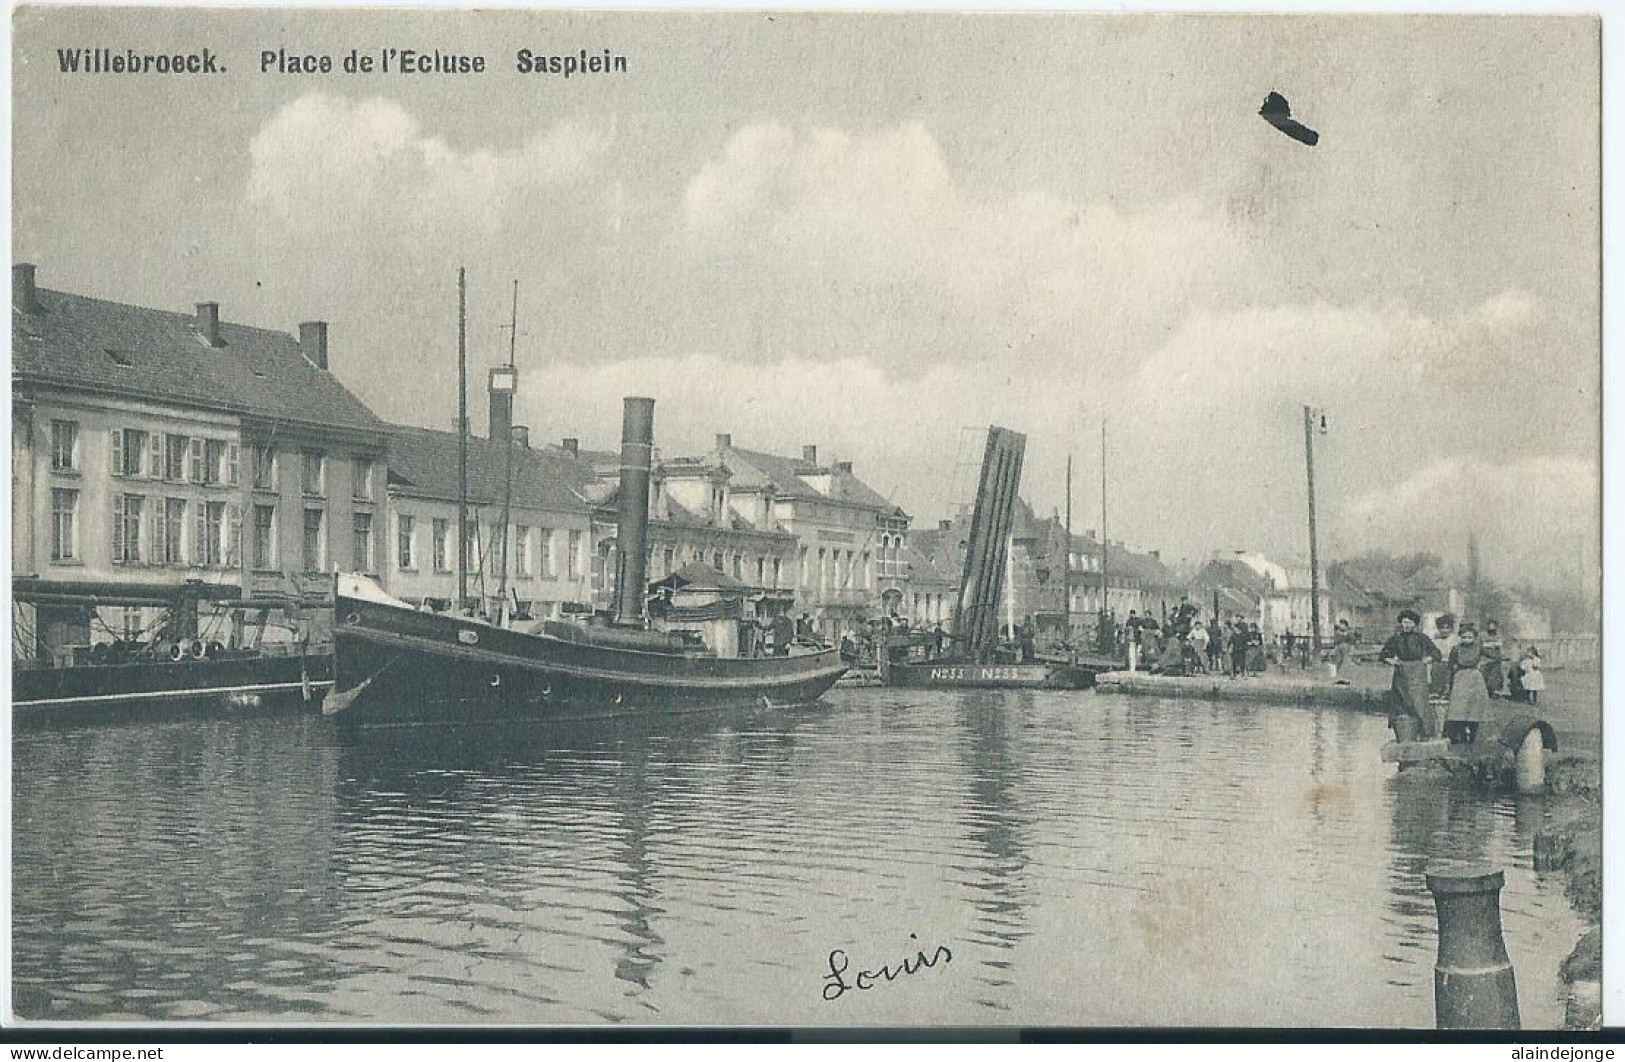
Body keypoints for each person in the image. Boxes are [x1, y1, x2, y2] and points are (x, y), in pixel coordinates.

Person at [1380, 609, 1443, 742]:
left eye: (1410, 622)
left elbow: (1436, 654)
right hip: (1401, 673)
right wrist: (1393, 661)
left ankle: (1424, 733)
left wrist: (1426, 660)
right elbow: (1384, 655)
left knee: (1419, 702)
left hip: (1418, 673)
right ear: (1401, 623)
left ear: (1415, 624)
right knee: (1401, 703)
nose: (1407, 625)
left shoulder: (1421, 638)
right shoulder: (1396, 638)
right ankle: (1405, 734)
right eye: (1404, 622)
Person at [1442, 623, 1492, 745]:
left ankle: (1473, 737)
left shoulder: (1479, 648)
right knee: (1459, 709)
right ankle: (1462, 736)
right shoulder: (1456, 649)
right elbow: (1450, 667)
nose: (1467, 640)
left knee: (1475, 709)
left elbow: (1494, 657)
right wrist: (1449, 683)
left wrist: (1483, 666)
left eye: (1470, 637)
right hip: (1460, 678)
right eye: (1464, 637)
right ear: (1460, 637)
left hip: (1475, 678)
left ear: (1475, 637)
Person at [1478, 621, 1506, 696]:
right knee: (1484, 674)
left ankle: (1494, 691)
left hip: (1496, 658)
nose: (1492, 631)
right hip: (1485, 659)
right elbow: (1481, 645)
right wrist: (1492, 645)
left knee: (1495, 675)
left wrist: (1492, 645)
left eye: (1493, 629)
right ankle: (1485, 690)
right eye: (1490, 629)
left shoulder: (1499, 635)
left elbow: (1500, 644)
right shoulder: (1483, 634)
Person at [1330, 618, 1357, 684]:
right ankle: (1337, 678)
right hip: (1339, 650)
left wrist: (1351, 651)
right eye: (1340, 625)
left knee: (1346, 663)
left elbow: (1352, 643)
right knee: (1337, 663)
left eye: (1342, 625)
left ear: (1345, 625)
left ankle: (1347, 679)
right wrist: (1334, 650)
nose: (1341, 626)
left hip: (1346, 649)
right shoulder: (1337, 633)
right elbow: (1336, 643)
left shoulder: (1350, 632)